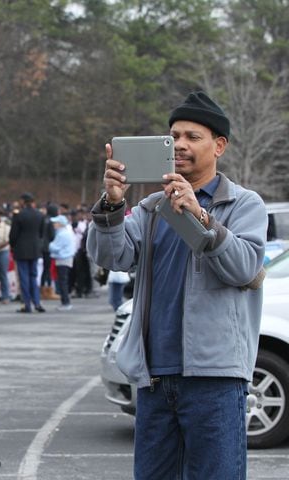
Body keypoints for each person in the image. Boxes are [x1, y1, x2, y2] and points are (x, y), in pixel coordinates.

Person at [87, 91, 266, 479]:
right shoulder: (152, 207)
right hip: (154, 379)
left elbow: (244, 268)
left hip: (215, 381)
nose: (181, 145)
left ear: (219, 146)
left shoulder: (243, 204)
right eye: (174, 136)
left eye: (192, 136)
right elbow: (111, 257)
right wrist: (113, 204)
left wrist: (199, 215)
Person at [9, 193, 46, 313]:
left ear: (23, 202)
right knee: (33, 277)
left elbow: (13, 235)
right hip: (35, 249)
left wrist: (13, 246)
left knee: (24, 277)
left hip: (21, 250)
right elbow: (41, 233)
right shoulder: (40, 215)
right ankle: (37, 302)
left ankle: (26, 304)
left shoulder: (19, 215)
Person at [48, 215, 76, 311]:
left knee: (62, 282)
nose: (54, 224)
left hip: (62, 259)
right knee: (63, 281)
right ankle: (65, 302)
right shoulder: (65, 233)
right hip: (66, 259)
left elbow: (54, 247)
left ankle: (66, 302)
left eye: (55, 222)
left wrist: (50, 245)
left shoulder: (61, 234)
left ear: (60, 224)